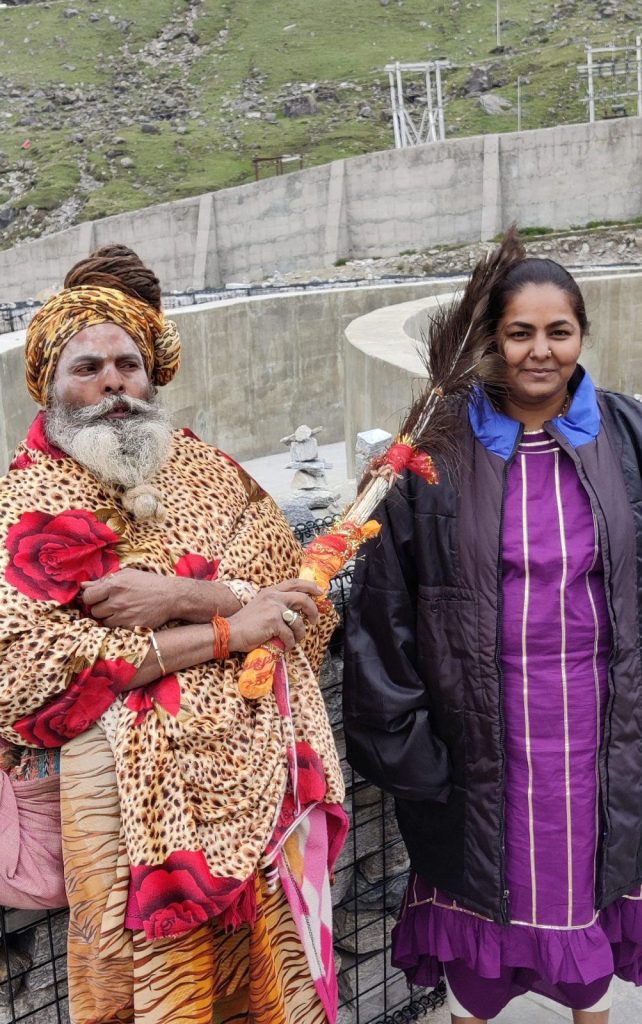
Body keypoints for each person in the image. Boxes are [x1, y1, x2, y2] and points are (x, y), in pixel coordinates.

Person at [342, 228, 642, 1024]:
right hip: (483, 744)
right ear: (490, 340)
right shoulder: (434, 451)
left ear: (582, 335)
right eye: (519, 332)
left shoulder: (635, 438)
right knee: (480, 931)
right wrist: (411, 754)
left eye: (558, 331)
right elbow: (380, 612)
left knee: (584, 919)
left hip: (601, 736)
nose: (539, 351)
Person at [0, 245, 347, 1024]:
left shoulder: (210, 471)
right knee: (157, 1002)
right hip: (128, 833)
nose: (112, 383)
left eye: (128, 363)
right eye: (86, 367)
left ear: (152, 374)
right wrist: (229, 629)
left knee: (273, 994)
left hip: (263, 795)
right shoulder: (27, 503)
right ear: (49, 383)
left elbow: (302, 609)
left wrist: (183, 596)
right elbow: (26, 680)